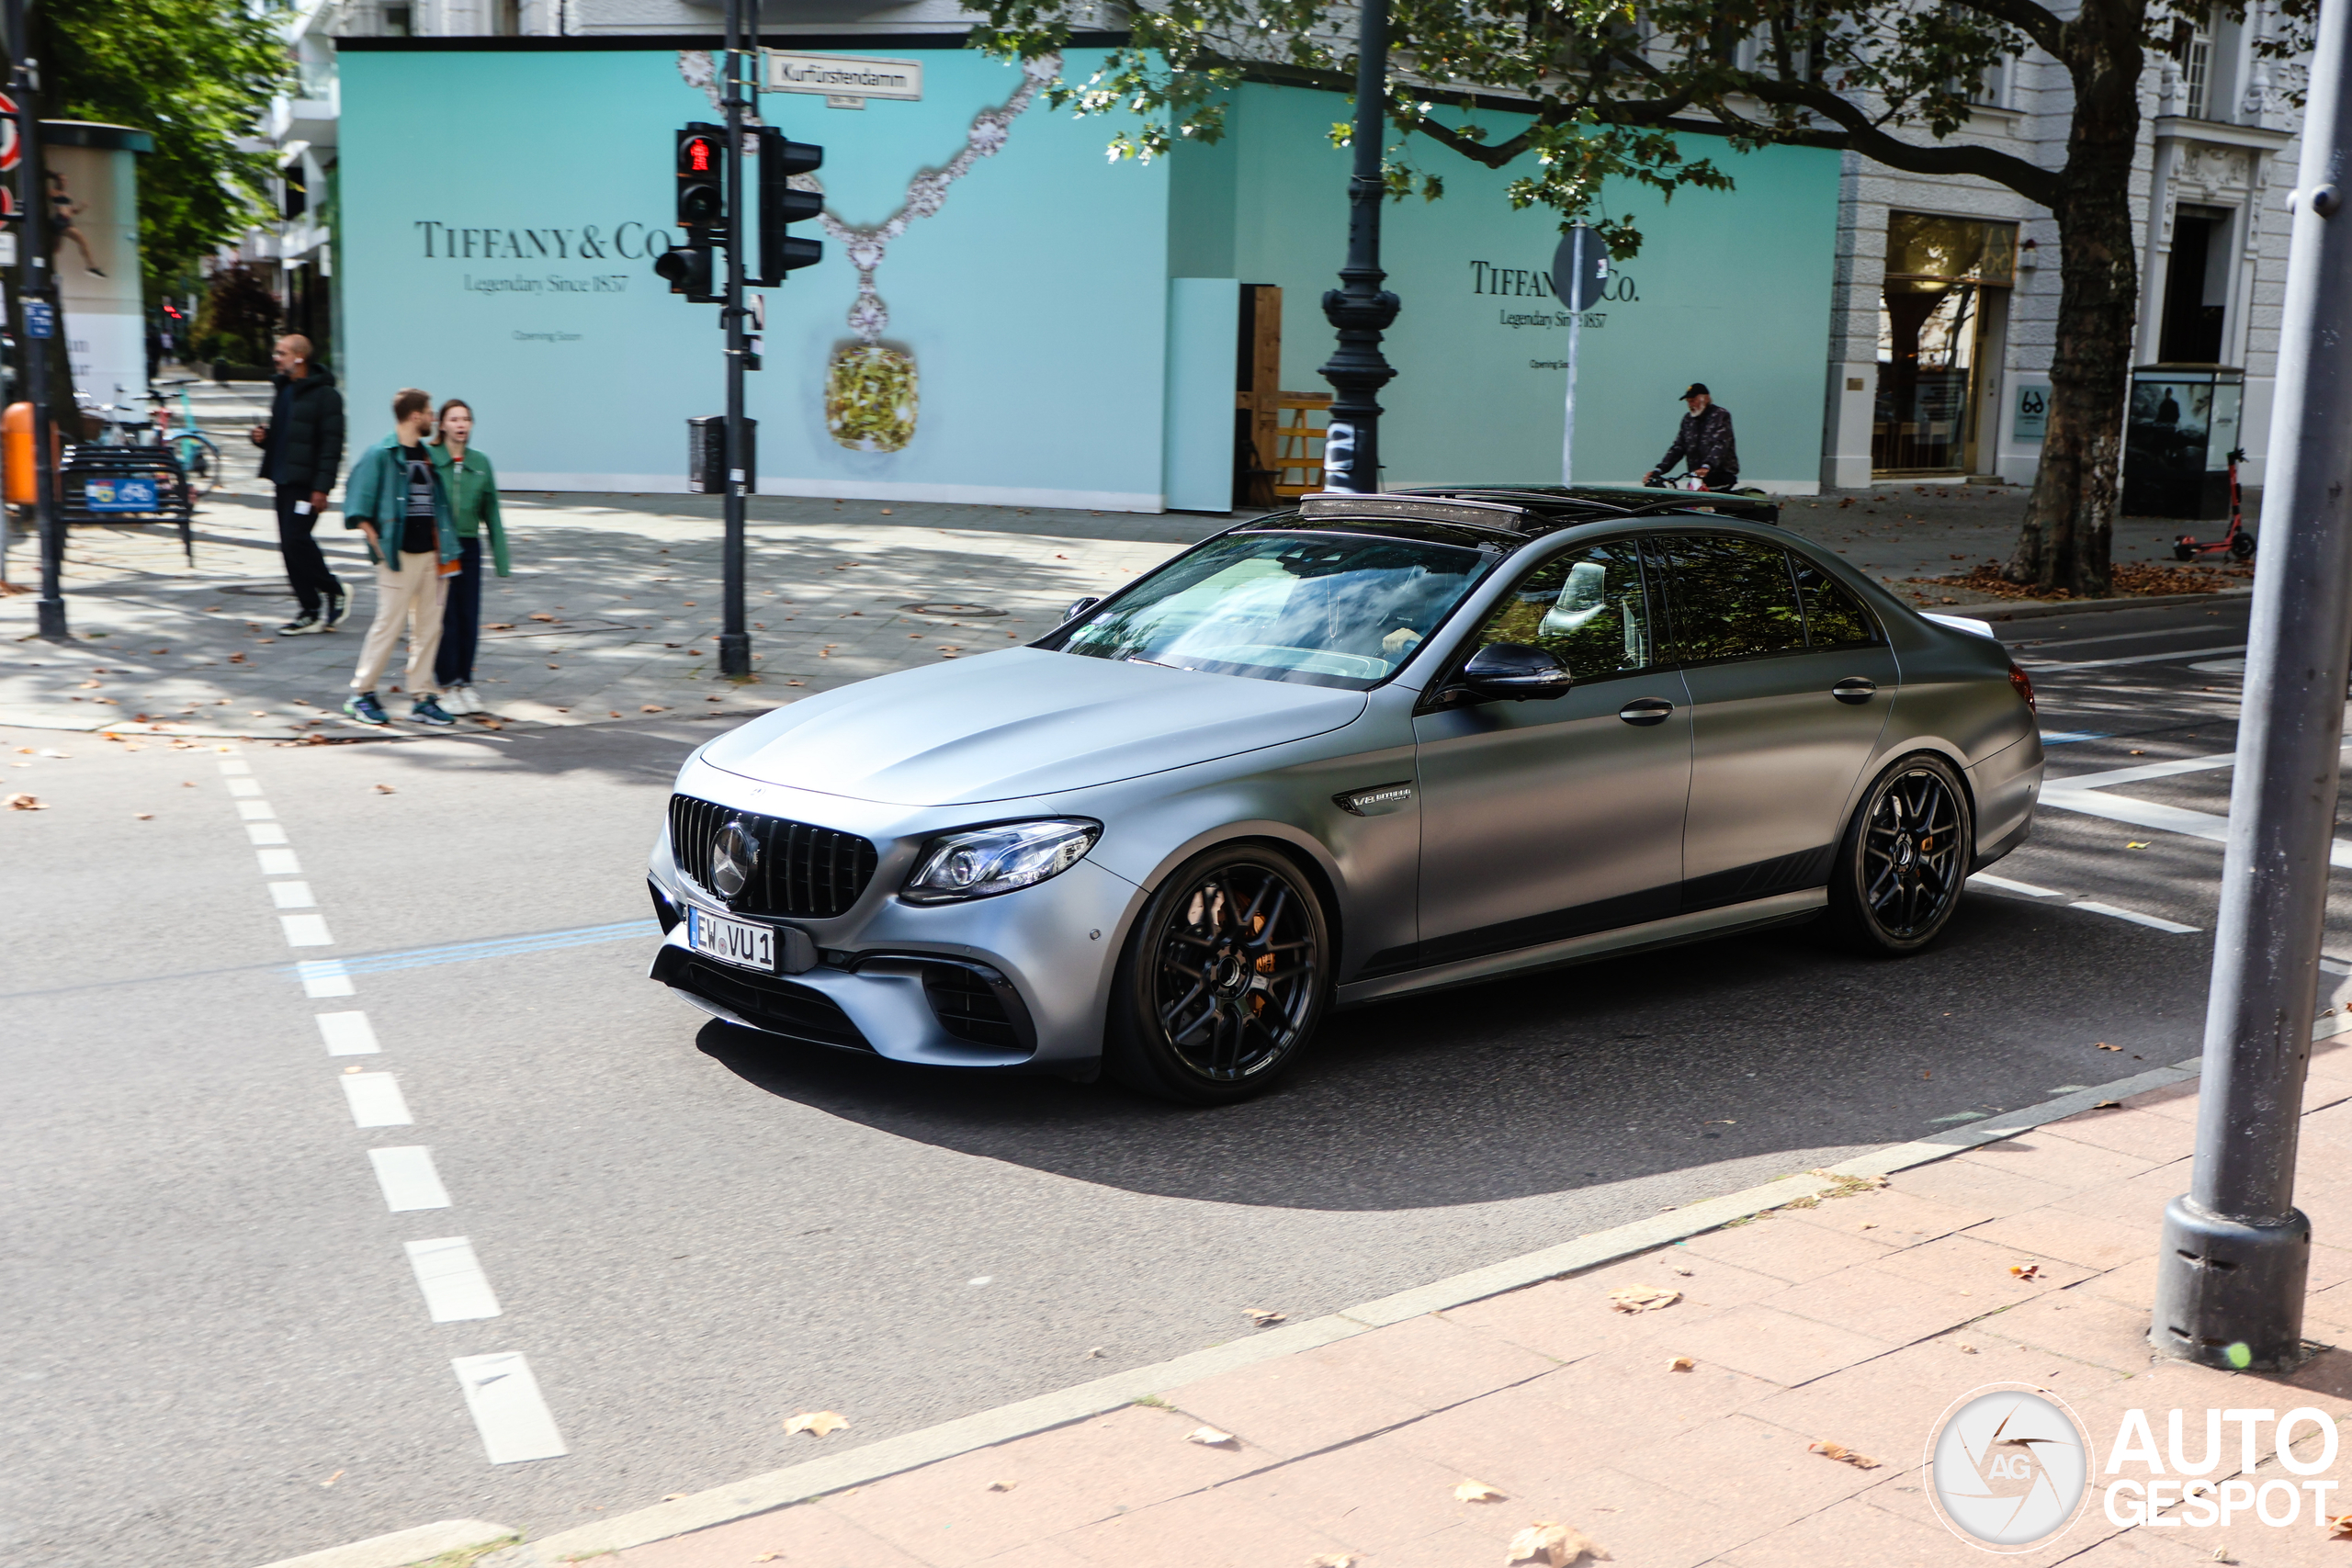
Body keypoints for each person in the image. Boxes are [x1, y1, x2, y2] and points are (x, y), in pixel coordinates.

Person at [340, 389, 460, 728]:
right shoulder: (381, 454)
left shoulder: (426, 455)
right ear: (414, 416)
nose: (433, 417)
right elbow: (357, 503)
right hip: (398, 556)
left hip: (434, 556)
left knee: (429, 628)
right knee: (388, 625)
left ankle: (422, 697)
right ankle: (361, 694)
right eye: (428, 412)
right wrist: (377, 541)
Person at [249, 334, 347, 635]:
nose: (276, 358)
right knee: (289, 547)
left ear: (300, 358)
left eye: (282, 353)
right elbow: (286, 439)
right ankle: (309, 610)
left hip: (307, 485)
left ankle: (333, 589)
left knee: (296, 539)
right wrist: (262, 439)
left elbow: (332, 446)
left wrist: (322, 488)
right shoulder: (283, 390)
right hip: (282, 480)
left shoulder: (326, 396)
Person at [428, 399, 510, 714]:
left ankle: (465, 682)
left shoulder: (481, 462)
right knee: (445, 617)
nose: (461, 425)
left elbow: (492, 512)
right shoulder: (430, 457)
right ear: (442, 424)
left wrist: (502, 559)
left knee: (468, 617)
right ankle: (446, 684)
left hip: (469, 547)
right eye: (454, 419)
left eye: (466, 419)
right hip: (439, 547)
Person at [1645, 382, 1740, 491]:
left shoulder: (1720, 415)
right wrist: (1659, 470)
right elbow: (1678, 447)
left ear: (1706, 399)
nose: (1690, 405)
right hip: (1697, 478)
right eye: (1688, 402)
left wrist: (1707, 466)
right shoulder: (1688, 420)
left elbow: (1721, 444)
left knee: (1707, 501)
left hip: (1720, 476)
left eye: (1693, 401)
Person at [46, 171, 102, 277]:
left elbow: (72, 211)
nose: (64, 182)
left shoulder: (67, 195)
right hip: (59, 221)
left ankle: (48, 268)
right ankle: (91, 267)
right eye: (61, 180)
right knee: (82, 240)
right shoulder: (52, 192)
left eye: (65, 180)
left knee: (56, 249)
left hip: (66, 221)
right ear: (57, 181)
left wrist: (82, 207)